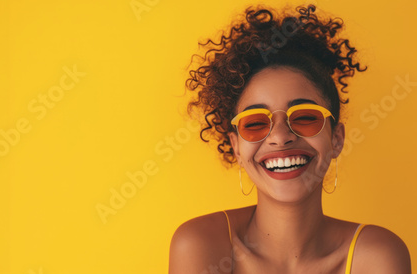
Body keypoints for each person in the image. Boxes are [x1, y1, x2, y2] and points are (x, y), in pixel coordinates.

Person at [169, 5, 411, 274]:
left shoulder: (378, 256)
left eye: (305, 117)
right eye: (256, 123)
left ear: (336, 139)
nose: (281, 137)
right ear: (236, 146)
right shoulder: (200, 245)